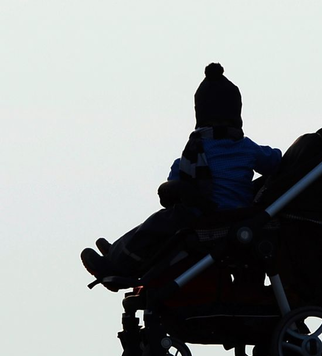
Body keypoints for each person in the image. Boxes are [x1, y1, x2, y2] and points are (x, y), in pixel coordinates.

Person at [81, 63, 282, 282]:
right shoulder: (247, 148)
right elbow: (275, 162)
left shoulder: (193, 151)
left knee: (156, 225)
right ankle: (117, 253)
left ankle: (119, 261)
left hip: (208, 220)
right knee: (162, 226)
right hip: (239, 216)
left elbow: (173, 185)